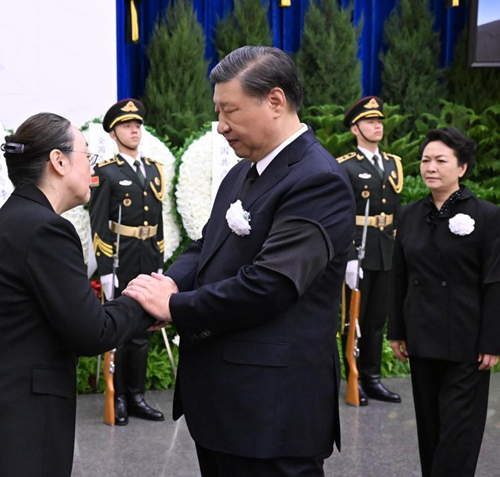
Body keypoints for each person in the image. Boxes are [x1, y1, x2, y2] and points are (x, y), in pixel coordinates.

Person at [124, 46, 355, 476]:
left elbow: (271, 284)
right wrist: (170, 284)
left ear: (275, 101)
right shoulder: (243, 171)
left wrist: (173, 308)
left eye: (229, 111)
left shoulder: (317, 179)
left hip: (271, 414)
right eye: (217, 111)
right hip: (224, 407)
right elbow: (205, 246)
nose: (220, 126)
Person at [0, 113, 154, 477]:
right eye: (86, 157)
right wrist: (145, 300)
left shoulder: (17, 216)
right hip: (13, 429)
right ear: (58, 161)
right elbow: (92, 333)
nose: (93, 171)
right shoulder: (45, 229)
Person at [388, 127, 500, 477]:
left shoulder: (487, 215)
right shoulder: (408, 215)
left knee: (458, 433)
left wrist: (492, 341)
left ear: (462, 168)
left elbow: (495, 281)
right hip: (422, 335)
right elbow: (399, 275)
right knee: (431, 429)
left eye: (440, 160)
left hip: (467, 340)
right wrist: (397, 331)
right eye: (425, 160)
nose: (430, 167)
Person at [88, 99, 165, 426]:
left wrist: (159, 260)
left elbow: (158, 217)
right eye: (126, 126)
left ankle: (136, 396)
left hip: (147, 254)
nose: (134, 130)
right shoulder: (105, 172)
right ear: (113, 132)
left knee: (143, 329)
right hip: (120, 257)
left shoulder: (153, 168)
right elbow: (98, 222)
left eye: (137, 125)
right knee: (120, 330)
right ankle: (117, 396)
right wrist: (105, 270)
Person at [336, 96, 402, 406]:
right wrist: (348, 256)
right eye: (369, 121)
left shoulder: (393, 164)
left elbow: (395, 212)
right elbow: (341, 215)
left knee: (377, 319)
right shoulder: (346, 166)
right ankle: (354, 376)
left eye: (379, 121)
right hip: (358, 252)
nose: (377, 125)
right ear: (355, 128)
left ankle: (373, 377)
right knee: (354, 318)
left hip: (385, 250)